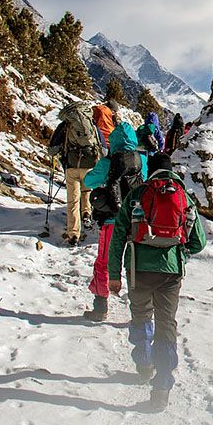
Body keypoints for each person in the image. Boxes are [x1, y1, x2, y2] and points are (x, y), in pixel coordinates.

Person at [108, 153, 206, 412]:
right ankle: (162, 387)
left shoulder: (137, 194)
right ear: (171, 171)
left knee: (140, 315)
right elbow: (199, 243)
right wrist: (179, 249)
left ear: (150, 171)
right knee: (166, 325)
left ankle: (143, 364)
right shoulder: (183, 197)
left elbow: (118, 235)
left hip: (138, 268)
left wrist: (114, 274)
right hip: (171, 273)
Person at [82, 119, 147, 321]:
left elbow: (88, 181)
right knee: (137, 264)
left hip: (112, 220)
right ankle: (141, 312)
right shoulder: (141, 161)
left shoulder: (108, 162)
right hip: (136, 221)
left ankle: (100, 307)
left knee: (104, 262)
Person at [48, 102, 102, 246]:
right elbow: (101, 143)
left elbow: (52, 148)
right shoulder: (91, 123)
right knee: (87, 190)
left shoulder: (66, 125)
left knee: (73, 200)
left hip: (72, 166)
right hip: (90, 164)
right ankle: (86, 213)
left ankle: (73, 233)